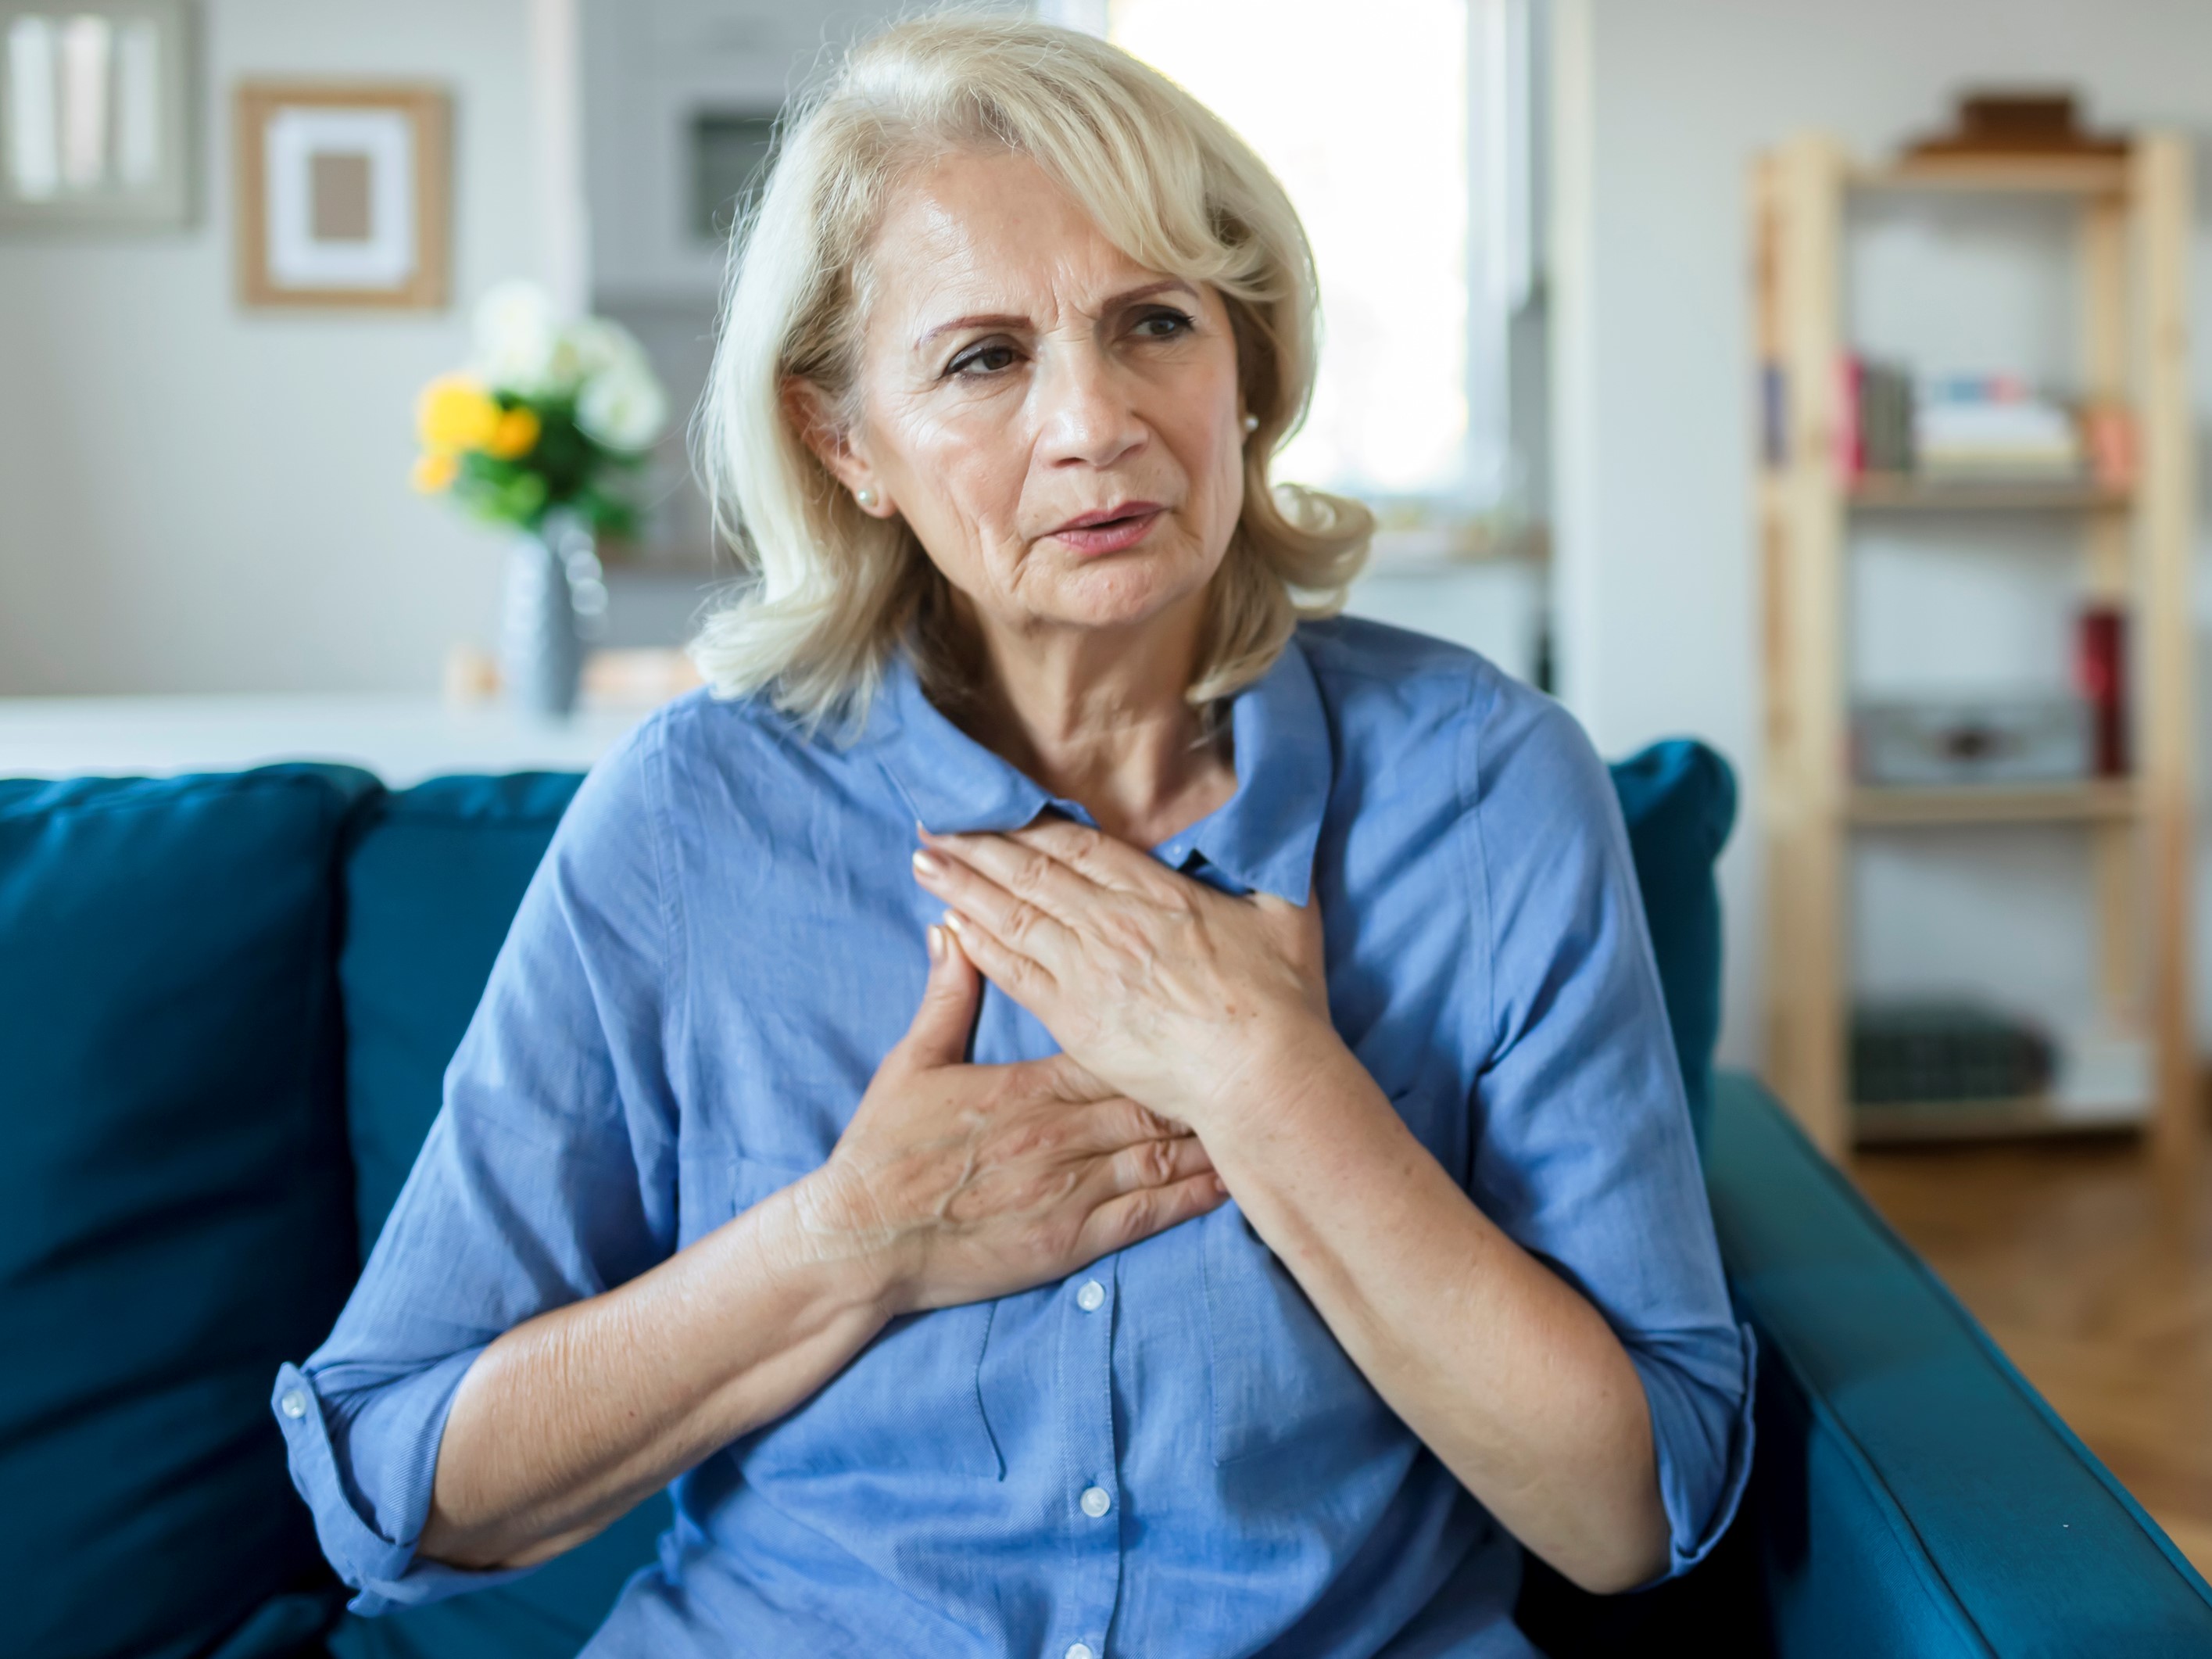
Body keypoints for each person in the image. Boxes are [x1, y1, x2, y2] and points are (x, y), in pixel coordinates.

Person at [274, 15, 1752, 1655]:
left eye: (1153, 323)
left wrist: (1276, 1084)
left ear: (1244, 363)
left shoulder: (1484, 785)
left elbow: (1628, 1510)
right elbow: (399, 1480)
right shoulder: (694, 814)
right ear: (847, 440)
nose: (1093, 421)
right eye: (985, 358)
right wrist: (850, 1240)